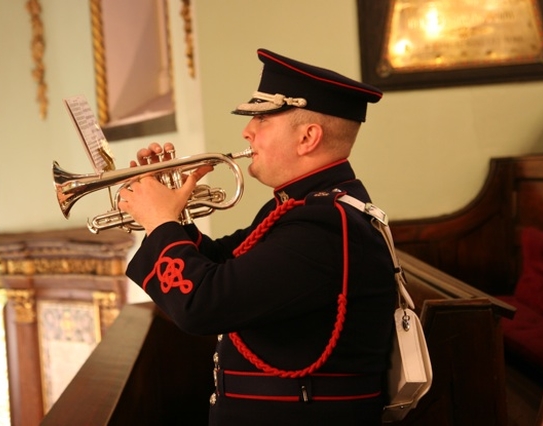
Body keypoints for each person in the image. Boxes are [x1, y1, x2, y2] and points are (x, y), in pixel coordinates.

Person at [118, 48, 396, 425]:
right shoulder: (299, 208)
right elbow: (220, 262)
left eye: (262, 119)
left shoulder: (325, 226)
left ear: (308, 138)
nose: (247, 131)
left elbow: (204, 304)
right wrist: (171, 210)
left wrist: (160, 220)